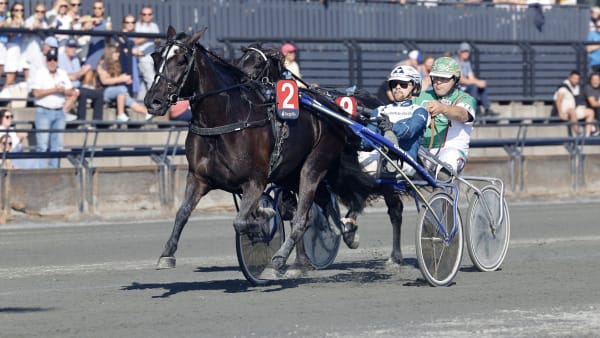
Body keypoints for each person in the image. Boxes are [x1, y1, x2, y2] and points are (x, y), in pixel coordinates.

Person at [359, 65, 429, 177]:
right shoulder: (379, 110)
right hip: (378, 156)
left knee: (371, 163)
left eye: (403, 84)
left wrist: (389, 127)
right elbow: (366, 142)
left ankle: (390, 159)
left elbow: (409, 131)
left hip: (406, 160)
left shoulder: (419, 111)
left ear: (415, 88)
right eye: (394, 84)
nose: (397, 87)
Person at [414, 56, 478, 178]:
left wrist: (443, 108)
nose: (438, 82)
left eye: (444, 78)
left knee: (448, 158)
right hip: (422, 151)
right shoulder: (421, 96)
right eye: (436, 77)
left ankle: (443, 191)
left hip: (450, 152)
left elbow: (463, 114)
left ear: (455, 79)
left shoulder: (466, 99)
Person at [29, 48, 76, 168]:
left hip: (59, 112)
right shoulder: (41, 72)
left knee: (57, 145)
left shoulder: (63, 73)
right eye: (50, 59)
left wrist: (63, 91)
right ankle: (39, 172)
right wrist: (54, 90)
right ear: (46, 60)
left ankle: (53, 171)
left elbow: (71, 92)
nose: (52, 62)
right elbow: (36, 93)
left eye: (55, 59)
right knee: (42, 145)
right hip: (43, 111)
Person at [96, 44, 152, 121]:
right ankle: (120, 114)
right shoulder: (102, 64)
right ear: (110, 54)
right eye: (115, 53)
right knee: (122, 89)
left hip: (115, 92)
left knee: (124, 96)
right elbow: (104, 81)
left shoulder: (116, 64)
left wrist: (125, 79)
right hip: (102, 93)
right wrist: (121, 79)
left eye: (118, 52)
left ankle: (146, 112)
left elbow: (115, 79)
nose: (118, 54)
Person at [455, 42, 499, 117]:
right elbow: (461, 80)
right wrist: (477, 83)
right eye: (464, 51)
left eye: (467, 51)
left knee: (481, 86)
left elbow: (471, 77)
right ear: (459, 51)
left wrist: (480, 82)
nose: (466, 53)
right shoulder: (455, 62)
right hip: (457, 88)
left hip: (465, 86)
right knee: (474, 87)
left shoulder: (466, 63)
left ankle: (487, 109)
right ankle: (475, 109)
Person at [553, 70, 596, 136]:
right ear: (569, 77)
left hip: (574, 110)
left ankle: (587, 134)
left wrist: (582, 106)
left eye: (577, 79)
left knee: (590, 112)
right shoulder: (563, 88)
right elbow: (558, 101)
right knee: (572, 111)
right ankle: (579, 133)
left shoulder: (576, 88)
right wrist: (560, 113)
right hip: (565, 111)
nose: (575, 80)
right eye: (574, 78)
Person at [133, 5, 160, 101]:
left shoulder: (154, 26)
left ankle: (141, 101)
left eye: (149, 14)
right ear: (141, 15)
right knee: (151, 79)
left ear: (152, 15)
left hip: (152, 56)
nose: (147, 16)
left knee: (144, 82)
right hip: (142, 56)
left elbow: (157, 43)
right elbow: (135, 41)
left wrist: (156, 40)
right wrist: (148, 36)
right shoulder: (137, 25)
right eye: (144, 14)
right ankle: (154, 100)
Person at [2, 2, 25, 91]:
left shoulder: (24, 21)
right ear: (12, 12)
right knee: (10, 78)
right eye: (16, 10)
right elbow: (10, 36)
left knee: (14, 77)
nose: (19, 12)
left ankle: (5, 96)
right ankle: (3, 96)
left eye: (21, 10)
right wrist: (17, 25)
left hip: (21, 49)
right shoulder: (10, 21)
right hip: (13, 48)